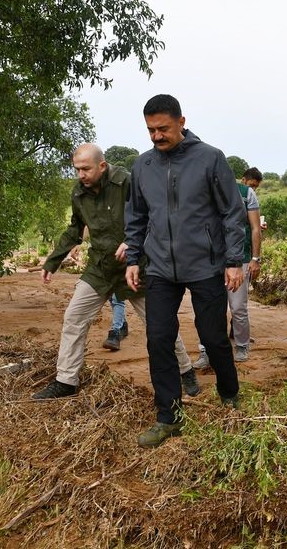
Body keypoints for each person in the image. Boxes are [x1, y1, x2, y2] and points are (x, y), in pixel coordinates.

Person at [121, 94, 245, 448]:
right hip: (159, 266)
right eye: (151, 130)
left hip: (205, 264)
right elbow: (136, 216)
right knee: (158, 338)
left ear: (181, 122)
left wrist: (233, 260)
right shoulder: (142, 166)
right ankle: (169, 416)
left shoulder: (210, 158)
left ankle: (229, 395)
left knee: (213, 336)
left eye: (163, 128)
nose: (157, 136)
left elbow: (232, 212)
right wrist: (133, 258)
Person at [32, 144, 199, 400]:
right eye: (77, 169)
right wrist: (52, 261)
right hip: (100, 267)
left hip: (136, 267)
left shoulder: (127, 183)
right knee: (74, 318)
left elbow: (154, 215)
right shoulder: (79, 193)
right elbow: (75, 229)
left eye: (85, 169)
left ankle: (185, 371)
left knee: (160, 324)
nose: (81, 175)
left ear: (102, 165)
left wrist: (133, 241)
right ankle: (66, 380)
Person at [194, 169, 262, 367]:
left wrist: (255, 258)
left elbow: (255, 227)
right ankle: (205, 350)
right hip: (209, 260)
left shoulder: (246, 193)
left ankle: (241, 345)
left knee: (238, 306)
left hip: (239, 258)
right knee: (208, 308)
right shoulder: (204, 191)